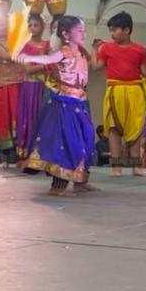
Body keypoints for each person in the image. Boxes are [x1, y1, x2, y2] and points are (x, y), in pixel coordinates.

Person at [17, 16, 97, 196]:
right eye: (79, 30)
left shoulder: (82, 51)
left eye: (83, 30)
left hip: (80, 101)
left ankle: (80, 180)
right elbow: (47, 59)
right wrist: (28, 56)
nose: (83, 33)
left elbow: (91, 66)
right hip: (64, 103)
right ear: (65, 34)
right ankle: (58, 186)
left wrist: (95, 48)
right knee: (67, 142)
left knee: (86, 139)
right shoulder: (64, 51)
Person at [92, 11, 146, 177]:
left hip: (135, 92)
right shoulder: (106, 48)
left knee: (135, 129)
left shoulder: (139, 49)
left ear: (127, 30)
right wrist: (94, 49)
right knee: (114, 129)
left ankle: (136, 167)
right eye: (110, 31)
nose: (112, 34)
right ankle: (116, 167)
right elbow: (97, 67)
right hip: (115, 91)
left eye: (115, 30)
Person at [0, 16, 24, 169]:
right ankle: (5, 156)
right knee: (4, 118)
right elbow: (7, 56)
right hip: (3, 83)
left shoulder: (17, 40)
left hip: (20, 82)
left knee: (20, 117)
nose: (3, 27)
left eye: (6, 24)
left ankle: (21, 155)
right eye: (0, 24)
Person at [15, 13, 50, 168]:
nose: (33, 28)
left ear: (43, 26)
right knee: (29, 119)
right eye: (30, 25)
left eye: (36, 25)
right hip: (29, 88)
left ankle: (43, 157)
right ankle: (26, 157)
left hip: (45, 87)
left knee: (44, 120)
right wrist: (45, 63)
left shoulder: (48, 45)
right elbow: (28, 69)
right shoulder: (25, 46)